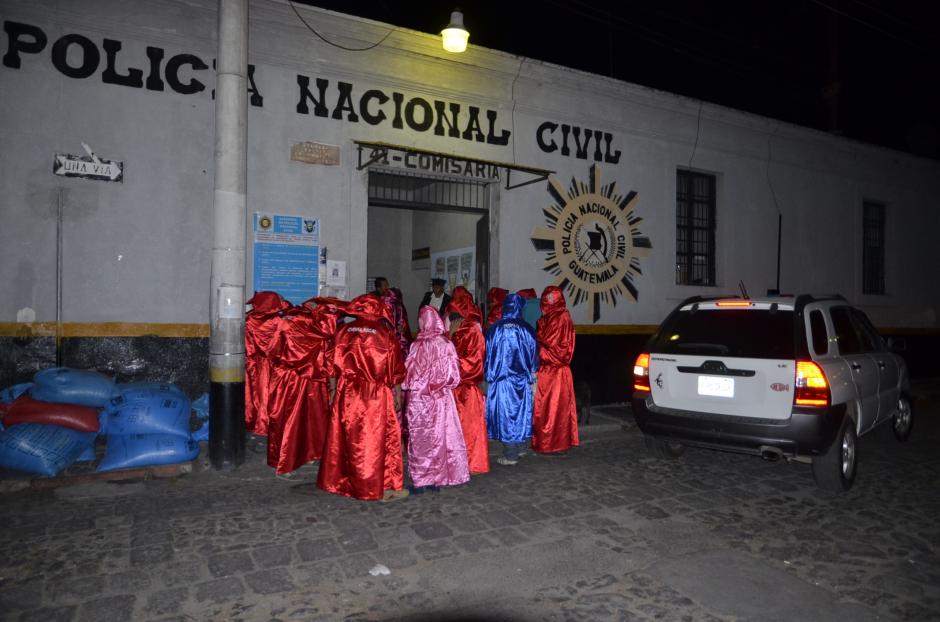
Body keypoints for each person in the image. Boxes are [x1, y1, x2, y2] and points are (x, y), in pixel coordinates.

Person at [316, 294, 409, 501]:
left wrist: (333, 390)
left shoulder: (343, 331)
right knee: (375, 439)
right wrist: (397, 392)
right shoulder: (385, 334)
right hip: (375, 393)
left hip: (347, 391)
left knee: (346, 437)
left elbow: (330, 365)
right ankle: (373, 485)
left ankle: (343, 482)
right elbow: (395, 369)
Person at [265, 297, 344, 475]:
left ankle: (286, 458)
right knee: (312, 419)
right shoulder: (321, 330)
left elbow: (273, 352)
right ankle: (311, 454)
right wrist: (332, 387)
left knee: (286, 418)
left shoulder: (286, 322)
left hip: (287, 379)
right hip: (313, 381)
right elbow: (330, 361)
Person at [402, 305, 470, 493]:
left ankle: (422, 480)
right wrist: (438, 386)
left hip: (419, 400)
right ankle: (437, 478)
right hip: (441, 400)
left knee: (420, 439)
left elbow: (407, 377)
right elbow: (454, 377)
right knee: (439, 437)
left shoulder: (416, 345)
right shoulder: (446, 344)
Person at [484, 293, 539, 466]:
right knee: (521, 414)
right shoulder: (528, 329)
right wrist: (533, 375)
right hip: (522, 381)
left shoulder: (494, 329)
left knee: (506, 416)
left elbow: (487, 357)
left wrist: (489, 376)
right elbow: (534, 357)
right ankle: (521, 448)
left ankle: (510, 455)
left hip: (501, 382)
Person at [446, 286, 490, 474]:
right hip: (455, 388)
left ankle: (473, 464)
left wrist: (451, 369)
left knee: (471, 428)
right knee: (456, 428)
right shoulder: (456, 330)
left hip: (467, 388)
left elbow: (474, 363)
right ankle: (458, 464)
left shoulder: (472, 330)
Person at [532, 286, 579, 454]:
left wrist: (535, 346)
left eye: (551, 298)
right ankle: (545, 443)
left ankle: (557, 444)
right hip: (546, 371)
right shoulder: (547, 318)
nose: (548, 302)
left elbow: (556, 347)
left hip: (556, 372)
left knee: (556, 410)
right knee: (544, 410)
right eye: (546, 299)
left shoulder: (562, 317)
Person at [244, 291, 291, 438]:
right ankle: (275, 425)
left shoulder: (249, 320)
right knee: (278, 395)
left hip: (258, 363)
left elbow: (248, 348)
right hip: (279, 364)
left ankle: (261, 424)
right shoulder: (281, 321)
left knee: (259, 395)